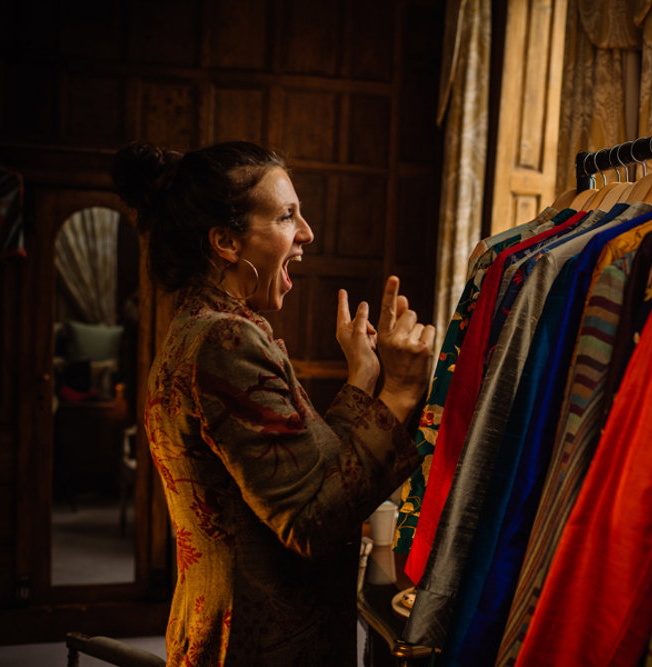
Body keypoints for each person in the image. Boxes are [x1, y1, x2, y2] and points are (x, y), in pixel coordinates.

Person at [112, 141, 434, 666]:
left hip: (228, 627)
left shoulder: (197, 329)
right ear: (225, 241)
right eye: (287, 216)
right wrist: (399, 393)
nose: (306, 233)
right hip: (260, 645)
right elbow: (311, 523)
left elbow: (305, 479)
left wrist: (363, 378)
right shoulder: (226, 343)